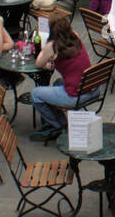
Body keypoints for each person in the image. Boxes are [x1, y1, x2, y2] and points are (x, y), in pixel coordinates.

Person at [28, 12, 95, 142]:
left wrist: (47, 53)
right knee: (58, 82)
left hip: (75, 94)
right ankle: (63, 118)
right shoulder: (74, 36)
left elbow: (39, 63)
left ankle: (59, 125)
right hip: (91, 87)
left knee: (36, 94)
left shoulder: (53, 45)